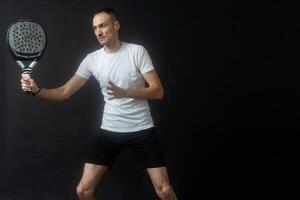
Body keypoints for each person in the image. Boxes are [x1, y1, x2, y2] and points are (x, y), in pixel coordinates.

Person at [21, 7, 177, 200]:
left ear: (116, 25)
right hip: (110, 130)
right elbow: (64, 92)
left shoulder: (137, 52)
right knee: (83, 191)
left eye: (102, 26)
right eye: (95, 28)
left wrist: (126, 92)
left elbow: (158, 91)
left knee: (164, 191)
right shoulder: (92, 60)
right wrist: (37, 90)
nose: (98, 32)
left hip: (142, 129)